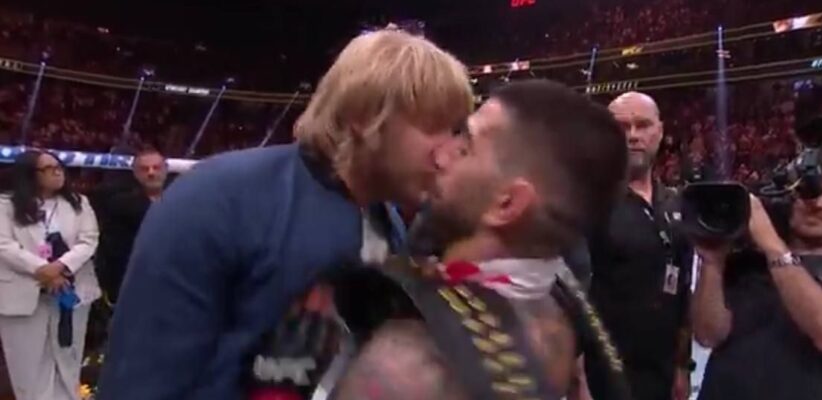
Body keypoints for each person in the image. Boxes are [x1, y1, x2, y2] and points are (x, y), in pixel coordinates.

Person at [97, 29, 473, 399]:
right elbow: (139, 384)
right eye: (436, 127)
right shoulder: (219, 197)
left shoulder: (387, 222)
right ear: (366, 117)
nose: (451, 152)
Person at [331, 79, 629, 400]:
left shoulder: (409, 363)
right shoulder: (560, 311)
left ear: (507, 204)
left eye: (466, 146)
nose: (441, 156)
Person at [692, 146, 822, 400]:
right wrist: (713, 262)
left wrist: (772, 245)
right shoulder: (748, 260)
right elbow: (709, 334)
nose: (818, 203)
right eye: (808, 190)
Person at [584, 92, 693, 400]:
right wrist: (577, 380)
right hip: (604, 374)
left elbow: (683, 290)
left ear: (659, 131)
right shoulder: (588, 202)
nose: (633, 136)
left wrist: (682, 365)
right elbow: (570, 294)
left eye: (643, 125)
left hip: (662, 371)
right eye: (621, 127)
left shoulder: (675, 202)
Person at [0, 150, 101, 400]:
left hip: (71, 291)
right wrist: (41, 269)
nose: (57, 172)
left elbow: (89, 239)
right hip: (23, 293)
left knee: (68, 360)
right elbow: (4, 245)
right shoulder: (5, 205)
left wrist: (61, 266)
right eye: (48, 169)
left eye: (59, 167)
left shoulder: (79, 203)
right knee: (28, 366)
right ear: (29, 174)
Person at [93, 147, 168, 305]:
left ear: (166, 169)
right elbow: (114, 252)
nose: (151, 173)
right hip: (132, 284)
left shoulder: (182, 201)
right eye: (145, 169)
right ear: (135, 173)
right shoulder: (120, 205)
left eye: (156, 167)